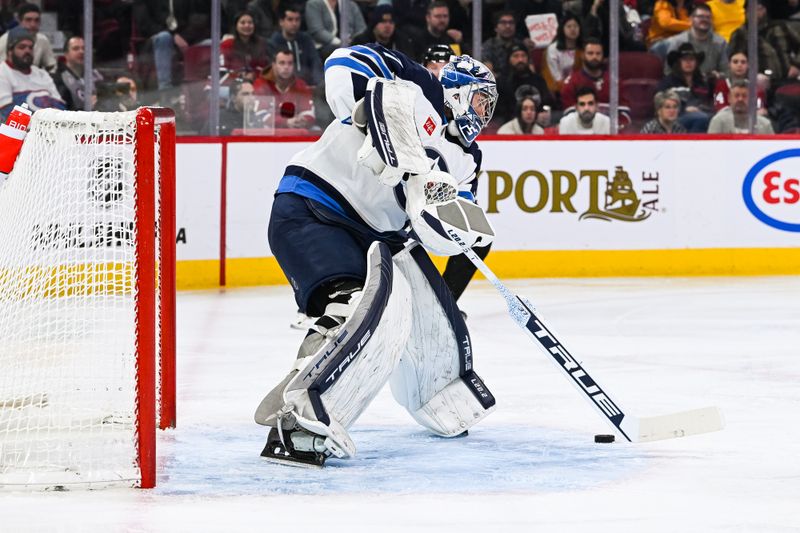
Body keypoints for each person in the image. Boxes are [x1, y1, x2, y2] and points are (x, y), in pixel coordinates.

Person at [254, 44, 498, 467]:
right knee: (356, 306)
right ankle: (303, 410)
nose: (484, 112)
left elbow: (455, 230)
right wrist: (374, 115)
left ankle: (440, 386)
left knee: (395, 308)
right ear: (458, 90)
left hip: (371, 238)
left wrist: (433, 201)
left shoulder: (468, 160)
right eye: (481, 99)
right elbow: (341, 62)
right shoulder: (416, 84)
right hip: (313, 206)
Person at [0, 27, 64, 121]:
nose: (27, 51)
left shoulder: (42, 74)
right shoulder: (2, 73)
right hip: (17, 132)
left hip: (49, 130)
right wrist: (39, 125)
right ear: (10, 51)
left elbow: (60, 106)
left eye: (30, 47)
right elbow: (6, 112)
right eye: (22, 47)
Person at [661, 4, 728, 79]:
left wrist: (718, 75)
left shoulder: (720, 43)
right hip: (682, 85)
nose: (704, 19)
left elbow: (726, 72)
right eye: (700, 16)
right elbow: (668, 72)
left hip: (710, 85)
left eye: (708, 17)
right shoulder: (678, 42)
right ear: (691, 19)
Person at [253, 48, 315, 130]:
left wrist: (303, 120)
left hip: (295, 132)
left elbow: (309, 112)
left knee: (316, 130)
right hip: (267, 135)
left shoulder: (301, 85)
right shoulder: (261, 84)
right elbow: (260, 115)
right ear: (274, 65)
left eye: (290, 63)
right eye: (282, 63)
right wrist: (286, 122)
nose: (286, 67)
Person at [657, 42, 713, 132]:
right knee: (701, 118)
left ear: (696, 62)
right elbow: (659, 103)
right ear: (678, 62)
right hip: (676, 118)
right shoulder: (668, 82)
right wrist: (683, 109)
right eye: (684, 59)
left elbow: (710, 103)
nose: (688, 62)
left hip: (703, 115)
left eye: (691, 59)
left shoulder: (703, 82)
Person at [268, 4, 323, 88]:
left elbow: (315, 62)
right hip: (287, 87)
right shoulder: (274, 42)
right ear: (281, 22)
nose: (294, 23)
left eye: (297, 20)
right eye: (290, 20)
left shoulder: (306, 39)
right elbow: (274, 70)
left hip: (309, 85)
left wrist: (318, 84)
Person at [496, 44, 554, 122]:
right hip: (510, 125)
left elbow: (547, 102)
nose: (520, 60)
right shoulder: (501, 82)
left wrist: (543, 113)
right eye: (516, 56)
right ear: (509, 59)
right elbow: (499, 112)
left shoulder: (538, 80)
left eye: (523, 56)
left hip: (537, 123)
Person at [0, 3, 56, 73]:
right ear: (19, 21)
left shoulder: (42, 40)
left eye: (36, 20)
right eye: (28, 20)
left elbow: (52, 66)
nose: (33, 24)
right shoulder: (5, 40)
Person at [52, 36, 104, 111]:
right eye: (76, 49)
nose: (81, 52)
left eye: (84, 48)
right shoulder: (58, 79)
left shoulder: (96, 74)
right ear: (66, 54)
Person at [707, 79, 774, 134]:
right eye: (736, 95)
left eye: (744, 96)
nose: (740, 99)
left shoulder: (765, 125)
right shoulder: (718, 121)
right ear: (729, 98)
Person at [221, 11, 272, 81]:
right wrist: (239, 75)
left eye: (250, 23)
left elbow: (265, 68)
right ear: (236, 26)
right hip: (232, 82)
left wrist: (254, 75)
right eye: (242, 23)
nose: (247, 25)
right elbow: (223, 69)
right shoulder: (227, 44)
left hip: (257, 82)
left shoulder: (261, 44)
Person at [560, 38, 609, 110]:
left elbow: (623, 112)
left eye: (598, 53)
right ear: (582, 55)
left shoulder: (613, 81)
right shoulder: (572, 83)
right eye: (590, 53)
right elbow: (568, 113)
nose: (594, 57)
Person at [543, 13, 583, 95]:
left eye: (575, 26)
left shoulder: (583, 48)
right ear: (562, 29)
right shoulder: (553, 49)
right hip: (558, 90)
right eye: (569, 26)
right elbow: (555, 76)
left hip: (580, 89)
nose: (573, 29)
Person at [481, 11, 524, 81]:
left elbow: (530, 70)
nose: (508, 26)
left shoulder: (520, 45)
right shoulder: (488, 46)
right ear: (496, 28)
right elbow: (488, 74)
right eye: (503, 23)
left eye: (511, 23)